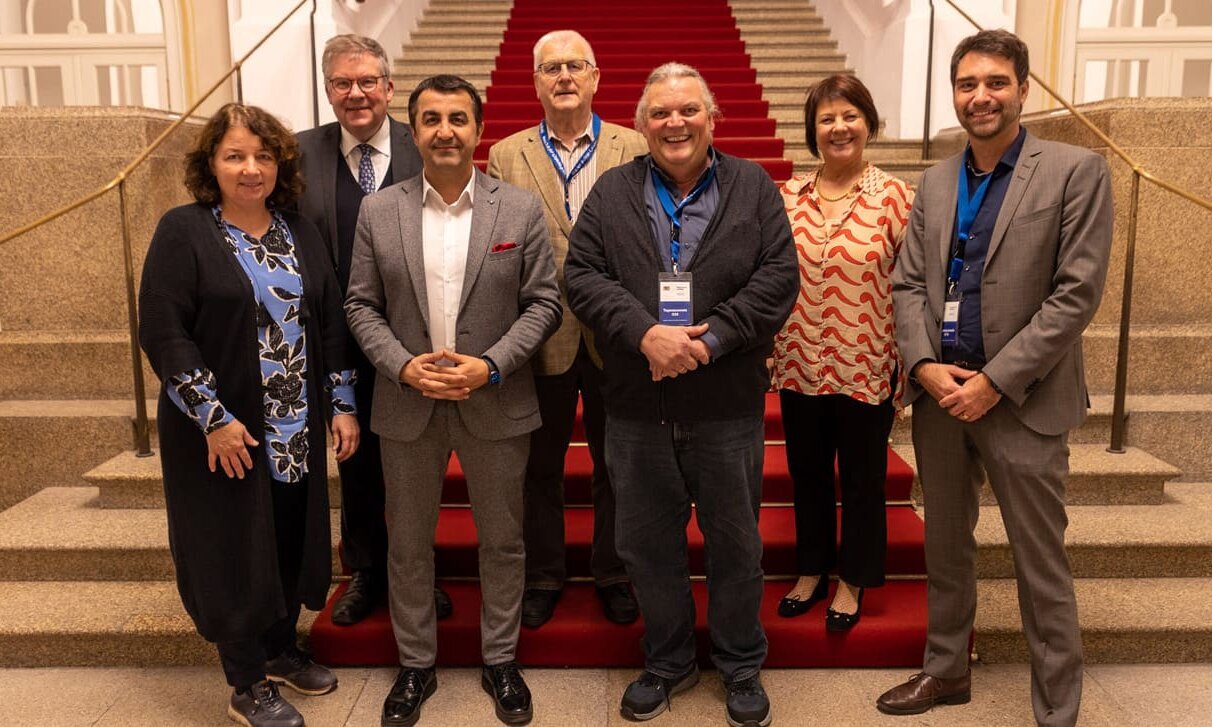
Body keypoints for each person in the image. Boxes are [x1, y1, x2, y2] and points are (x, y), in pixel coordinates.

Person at [877, 30, 1113, 726]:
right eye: (968, 83)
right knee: (946, 547)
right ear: (955, 93)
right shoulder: (939, 180)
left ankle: (1057, 704)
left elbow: (1076, 295)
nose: (980, 96)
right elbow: (908, 284)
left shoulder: (1075, 170)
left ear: (1023, 88)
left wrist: (994, 380)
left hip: (1025, 399)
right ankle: (946, 670)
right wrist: (922, 365)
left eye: (995, 82)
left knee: (1040, 562)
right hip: (941, 395)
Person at [565, 62, 798, 727]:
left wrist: (710, 339)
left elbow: (779, 276)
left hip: (727, 404)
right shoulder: (611, 191)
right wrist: (644, 333)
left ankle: (741, 661)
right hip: (636, 407)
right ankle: (667, 660)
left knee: (735, 542)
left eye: (689, 110)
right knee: (647, 545)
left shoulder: (753, 185)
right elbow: (580, 274)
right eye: (661, 113)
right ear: (640, 124)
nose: (676, 123)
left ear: (712, 117)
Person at [344, 74, 562, 727]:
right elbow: (360, 304)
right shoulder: (377, 211)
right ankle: (416, 667)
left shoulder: (518, 209)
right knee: (408, 544)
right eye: (432, 119)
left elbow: (544, 303)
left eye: (458, 118)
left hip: (495, 400)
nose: (445, 130)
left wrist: (490, 365)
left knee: (504, 540)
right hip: (408, 403)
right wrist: (403, 365)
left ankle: (500, 660)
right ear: (414, 131)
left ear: (477, 129)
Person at [139, 103, 359, 727]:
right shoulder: (183, 231)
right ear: (211, 163)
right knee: (231, 549)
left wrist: (341, 406)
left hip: (294, 429)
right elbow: (163, 330)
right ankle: (245, 682)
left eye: (263, 155)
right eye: (234, 155)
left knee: (288, 540)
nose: (251, 168)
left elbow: (333, 324)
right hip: (223, 432)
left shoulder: (300, 232)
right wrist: (211, 417)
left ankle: (280, 647)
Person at [486, 29, 647, 629]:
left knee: (619, 464)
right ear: (535, 82)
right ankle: (545, 573)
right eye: (550, 68)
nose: (563, 77)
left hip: (617, 334)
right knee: (540, 466)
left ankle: (613, 570)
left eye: (575, 65)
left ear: (596, 76)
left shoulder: (634, 147)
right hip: (540, 336)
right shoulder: (507, 154)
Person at [296, 34, 452, 627]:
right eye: (342, 83)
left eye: (367, 82)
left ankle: (419, 570)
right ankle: (364, 570)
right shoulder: (298, 154)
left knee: (414, 462)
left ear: (389, 88)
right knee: (355, 461)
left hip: (416, 338)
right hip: (334, 341)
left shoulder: (427, 148)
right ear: (328, 91)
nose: (355, 93)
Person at [771, 74, 913, 629]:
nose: (839, 127)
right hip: (800, 359)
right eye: (827, 118)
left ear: (869, 123)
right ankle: (811, 569)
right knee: (806, 472)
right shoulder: (788, 196)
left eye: (850, 116)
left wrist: (909, 363)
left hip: (867, 361)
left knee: (861, 478)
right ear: (813, 131)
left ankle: (852, 579)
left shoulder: (897, 198)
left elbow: (914, 284)